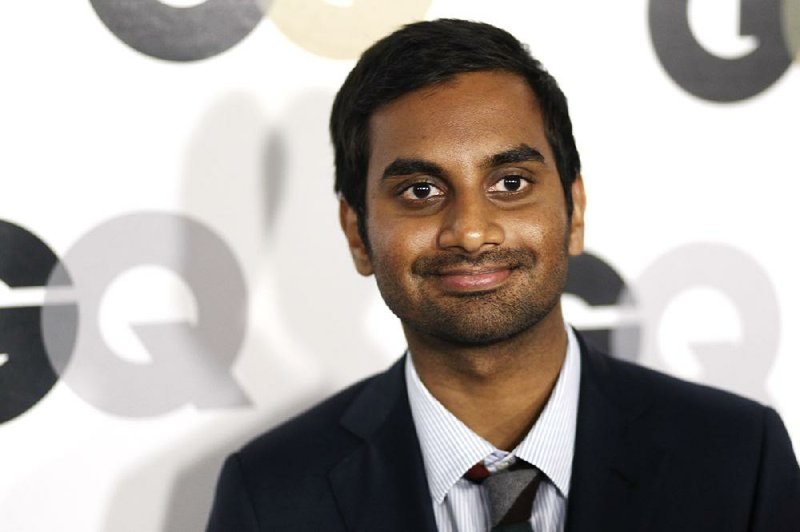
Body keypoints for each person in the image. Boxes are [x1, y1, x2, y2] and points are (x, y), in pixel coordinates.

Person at [206, 19, 800, 531]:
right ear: (357, 233)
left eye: (510, 184)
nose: (470, 230)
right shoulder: (272, 495)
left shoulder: (737, 458)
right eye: (420, 190)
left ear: (575, 211)